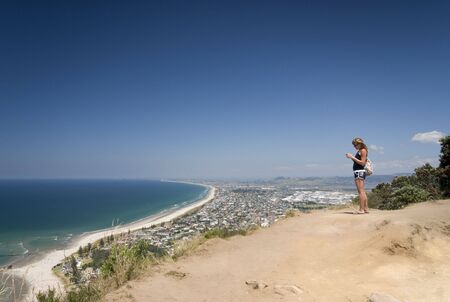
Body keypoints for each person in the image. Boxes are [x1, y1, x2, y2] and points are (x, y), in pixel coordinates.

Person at [346, 138, 369, 214]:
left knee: (361, 192)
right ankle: (365, 209)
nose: (354, 146)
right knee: (362, 191)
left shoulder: (362, 150)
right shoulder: (361, 151)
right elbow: (358, 162)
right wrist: (352, 158)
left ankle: (361, 209)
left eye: (355, 144)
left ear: (359, 144)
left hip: (359, 172)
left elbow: (362, 163)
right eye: (354, 145)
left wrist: (352, 157)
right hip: (359, 172)